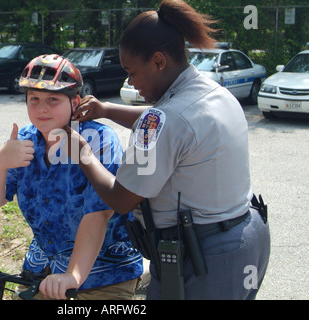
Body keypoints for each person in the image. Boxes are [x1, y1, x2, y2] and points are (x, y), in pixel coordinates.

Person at [65, 0, 270, 300]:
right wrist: (107, 109)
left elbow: (121, 198)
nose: (130, 83)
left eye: (131, 72)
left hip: (206, 256)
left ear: (159, 61)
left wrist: (82, 151)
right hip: (245, 238)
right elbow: (173, 124)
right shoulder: (213, 93)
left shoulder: (162, 119)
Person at [0, 54, 143, 300]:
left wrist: (73, 276)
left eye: (53, 99)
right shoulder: (25, 139)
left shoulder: (98, 139)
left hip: (103, 274)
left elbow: (98, 215)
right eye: (34, 99)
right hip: (40, 271)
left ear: (75, 102)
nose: (42, 108)